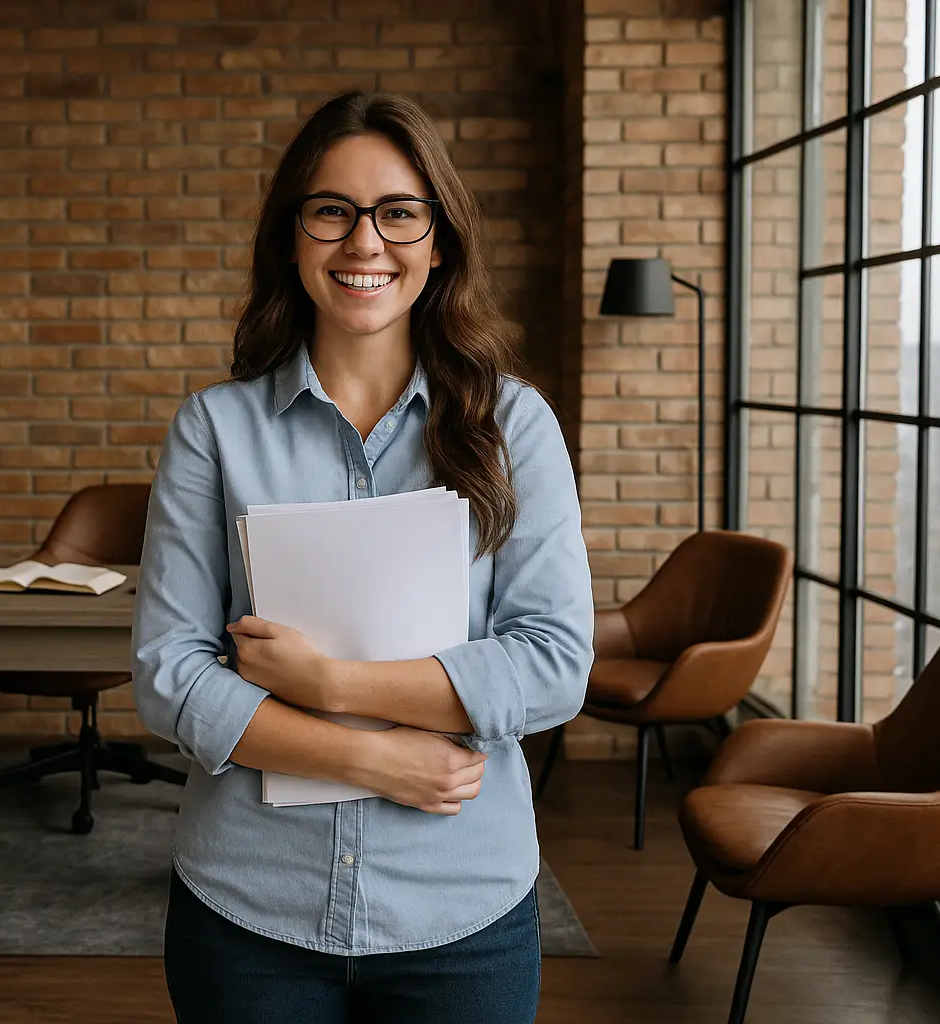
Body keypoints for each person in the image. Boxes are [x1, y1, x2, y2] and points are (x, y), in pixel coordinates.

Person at [130, 90, 594, 1024]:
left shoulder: (516, 427)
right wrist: (377, 761)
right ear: (293, 236)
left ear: (438, 239)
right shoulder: (214, 430)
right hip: (250, 914)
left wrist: (331, 682)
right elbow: (169, 678)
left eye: (398, 212)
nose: (364, 242)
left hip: (462, 916)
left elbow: (553, 663)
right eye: (331, 210)